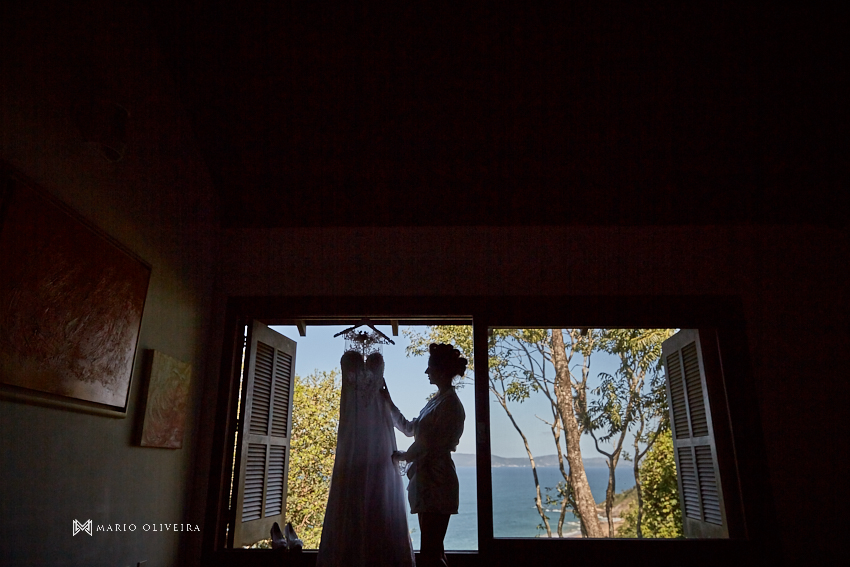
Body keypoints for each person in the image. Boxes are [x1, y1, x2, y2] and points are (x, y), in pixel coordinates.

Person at [316, 351, 415, 567]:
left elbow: (407, 428)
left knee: (377, 497)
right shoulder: (360, 389)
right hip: (355, 440)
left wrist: (388, 401)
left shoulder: (380, 394)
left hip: (376, 442)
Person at [384, 343, 466, 567]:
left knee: (431, 550)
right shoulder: (437, 400)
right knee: (432, 548)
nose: (426, 372)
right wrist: (389, 403)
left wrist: (402, 456)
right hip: (428, 480)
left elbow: (428, 444)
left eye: (429, 367)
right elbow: (412, 429)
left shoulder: (449, 404)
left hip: (438, 481)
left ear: (440, 371)